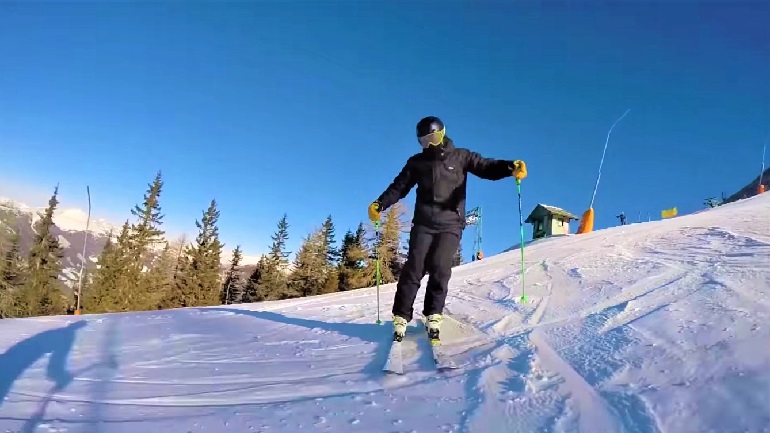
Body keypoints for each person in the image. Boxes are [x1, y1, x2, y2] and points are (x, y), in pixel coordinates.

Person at [367, 116, 527, 342]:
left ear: (442, 134)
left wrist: (509, 167)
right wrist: (380, 203)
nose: (430, 144)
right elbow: (399, 187)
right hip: (423, 223)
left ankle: (433, 314)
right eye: (424, 141)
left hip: (451, 223)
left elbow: (486, 167)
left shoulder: (461, 157)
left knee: (441, 267)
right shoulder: (416, 163)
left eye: (433, 138)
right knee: (414, 268)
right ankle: (401, 316)